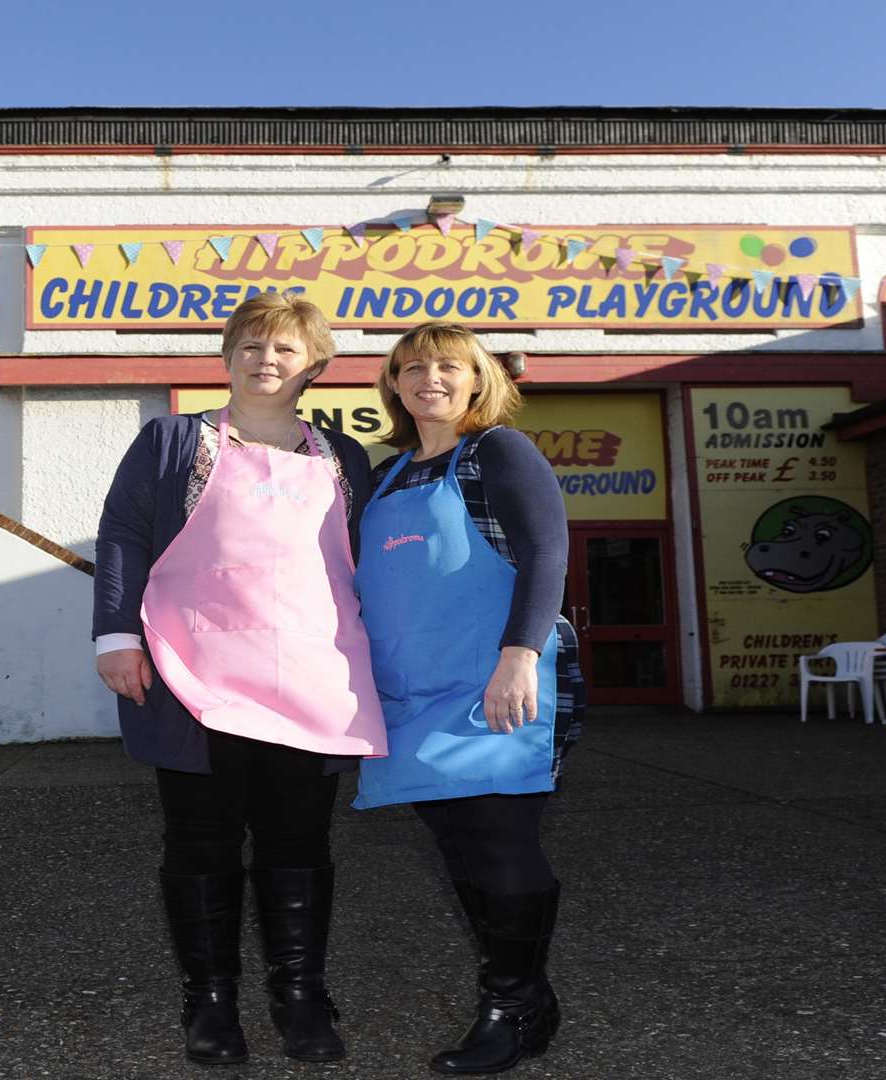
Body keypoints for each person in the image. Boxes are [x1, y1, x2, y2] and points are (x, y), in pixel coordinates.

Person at [93, 291, 385, 1065]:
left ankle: (300, 999)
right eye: (252, 346)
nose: (267, 361)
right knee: (200, 840)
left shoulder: (341, 457)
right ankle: (211, 1003)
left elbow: (367, 566)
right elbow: (121, 534)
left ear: (314, 365)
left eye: (285, 350)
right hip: (195, 673)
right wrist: (117, 636)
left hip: (309, 677)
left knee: (299, 840)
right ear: (227, 357)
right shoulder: (171, 441)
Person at [352, 322, 584, 1075]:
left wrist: (519, 657)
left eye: (449, 366)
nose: (431, 378)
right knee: (457, 847)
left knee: (500, 841)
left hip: (495, 688)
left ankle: (511, 1004)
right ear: (391, 384)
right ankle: (529, 999)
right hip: (410, 696)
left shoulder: (499, 452)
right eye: (412, 367)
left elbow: (547, 553)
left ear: (478, 379)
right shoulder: (385, 476)